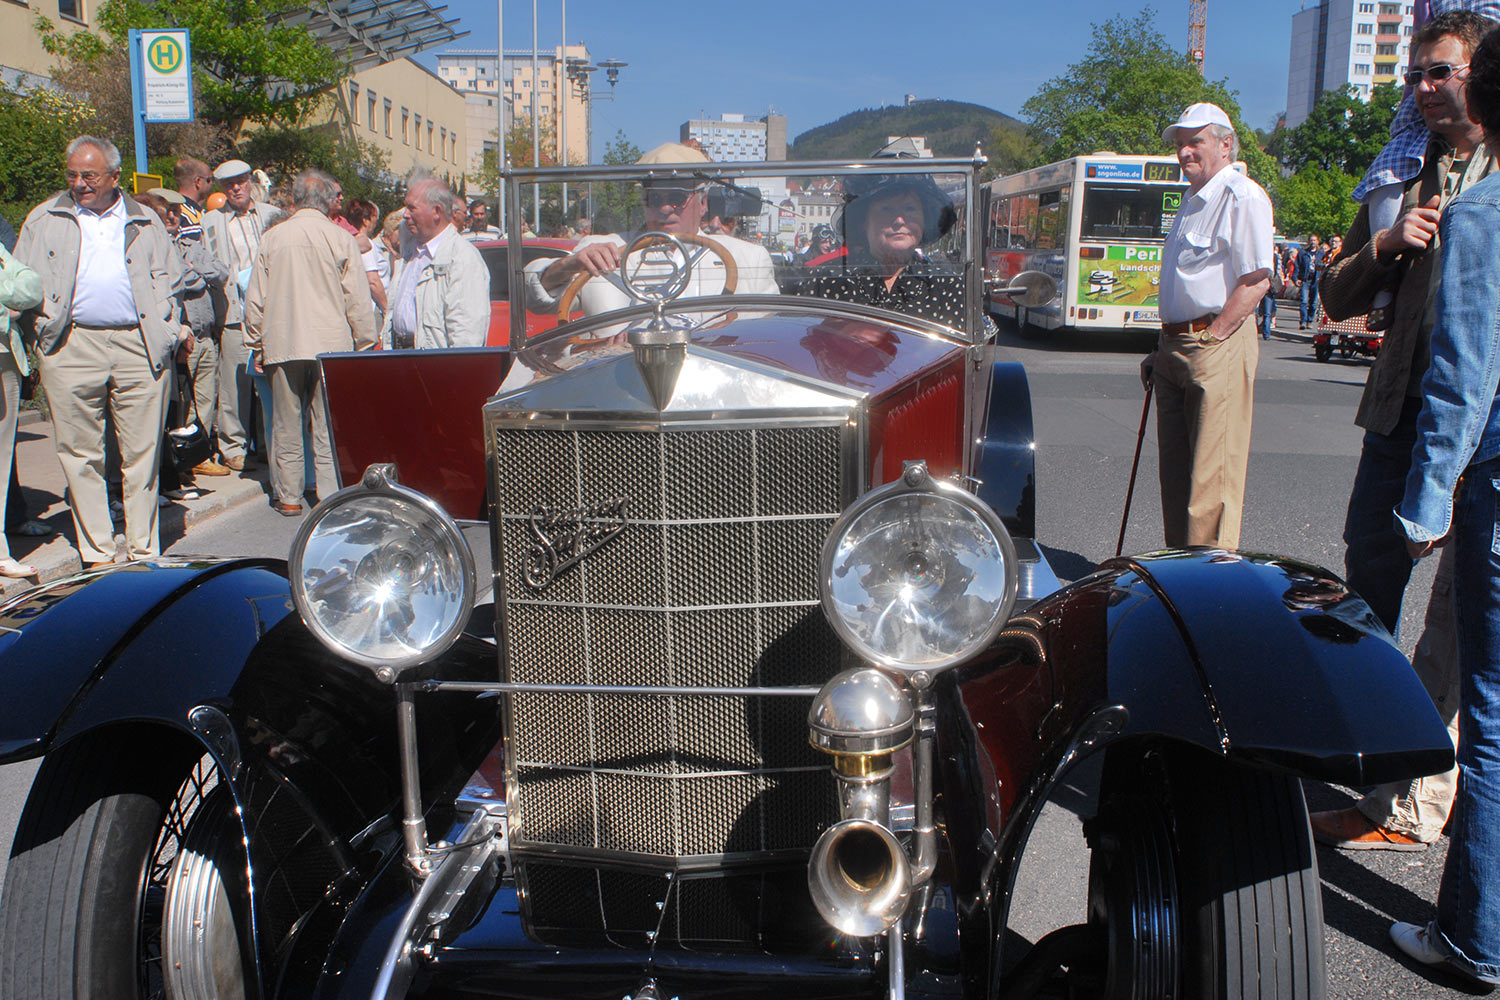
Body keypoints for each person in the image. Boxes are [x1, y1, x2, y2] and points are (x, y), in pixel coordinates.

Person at [1312, 8, 1498, 855]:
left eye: (1441, 72)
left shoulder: (1496, 178)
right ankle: (1372, 751)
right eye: (1415, 74)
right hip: (1397, 417)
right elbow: (1336, 296)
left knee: (1459, 623)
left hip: (1481, 430)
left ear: (1479, 74)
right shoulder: (1400, 173)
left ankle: (1412, 800)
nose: (1424, 89)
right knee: (1367, 592)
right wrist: (1386, 240)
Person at [1387, 24, 1500, 991]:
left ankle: (1474, 939)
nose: (1426, 89)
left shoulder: (1483, 211)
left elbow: (1465, 380)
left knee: (1493, 712)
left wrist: (1425, 508)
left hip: (1490, 479)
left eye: (1442, 73)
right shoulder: (1424, 181)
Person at [15, 135, 184, 567]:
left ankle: (145, 548)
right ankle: (99, 551)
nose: (79, 183)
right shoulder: (44, 218)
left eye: (89, 175)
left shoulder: (145, 220)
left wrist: (167, 328)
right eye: (72, 174)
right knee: (79, 452)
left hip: (139, 344)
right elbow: (22, 279)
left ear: (114, 176)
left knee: (142, 453)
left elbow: (173, 280)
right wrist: (39, 331)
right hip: (70, 344)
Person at [1140, 102, 1274, 550]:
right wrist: (1165, 347)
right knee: (1178, 477)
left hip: (1213, 341)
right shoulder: (1192, 202)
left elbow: (1256, 279)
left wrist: (1212, 336)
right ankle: (1181, 574)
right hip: (1177, 344)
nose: (1184, 152)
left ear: (1225, 143)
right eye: (1180, 144)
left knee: (1211, 481)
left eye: (1195, 141)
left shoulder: (1242, 195)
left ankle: (1209, 586)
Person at [243, 170, 377, 516]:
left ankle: (288, 495)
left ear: (295, 199)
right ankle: (328, 493)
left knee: (286, 422)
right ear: (326, 201)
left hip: (283, 340)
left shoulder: (272, 238)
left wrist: (255, 341)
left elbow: (256, 297)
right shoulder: (340, 238)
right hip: (330, 344)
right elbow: (357, 299)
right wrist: (365, 342)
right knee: (326, 423)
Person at [524, 143, 779, 320]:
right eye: (655, 198)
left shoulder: (749, 258)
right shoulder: (603, 251)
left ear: (703, 204)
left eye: (677, 198)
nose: (666, 208)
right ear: (643, 203)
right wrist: (569, 264)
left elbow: (766, 336)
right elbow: (535, 299)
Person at [799, 170, 964, 328]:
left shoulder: (946, 285)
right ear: (864, 222)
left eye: (910, 209)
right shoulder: (828, 278)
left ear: (924, 220)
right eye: (887, 209)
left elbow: (956, 354)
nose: (900, 220)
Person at [202, 158, 282, 471]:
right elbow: (208, 261)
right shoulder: (212, 221)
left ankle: (266, 445)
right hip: (234, 311)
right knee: (235, 384)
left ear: (250, 181)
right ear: (222, 188)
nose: (236, 187)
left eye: (241, 181)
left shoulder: (271, 214)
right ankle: (233, 445)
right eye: (229, 183)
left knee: (271, 379)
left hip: (270, 309)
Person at [147, 187, 230, 481]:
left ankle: (200, 454)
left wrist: (195, 270)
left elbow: (221, 272)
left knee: (206, 401)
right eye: (167, 210)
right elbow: (179, 280)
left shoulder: (192, 245)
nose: (173, 216)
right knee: (181, 404)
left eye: (177, 210)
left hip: (206, 336)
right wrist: (199, 274)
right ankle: (177, 459)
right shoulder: (157, 247)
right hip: (182, 340)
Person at [386, 179, 490, 350]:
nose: (404, 215)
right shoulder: (412, 249)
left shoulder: (462, 258)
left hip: (433, 364)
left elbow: (466, 336)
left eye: (412, 208)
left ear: (436, 211)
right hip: (399, 356)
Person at [0, 233, 43, 578]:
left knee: (1, 458)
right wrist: (6, 310)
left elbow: (31, 287)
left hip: (4, 360)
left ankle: (0, 551)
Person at [173, 157, 211, 242]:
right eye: (209, 180)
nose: (212, 184)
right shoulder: (190, 219)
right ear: (198, 181)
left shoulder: (172, 211)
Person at [1296, 234, 1324, 329]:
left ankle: (1310, 320)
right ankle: (1303, 321)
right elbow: (1297, 266)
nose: (1313, 242)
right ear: (1308, 242)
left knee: (1313, 302)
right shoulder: (1303, 253)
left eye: (1315, 240)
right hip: (1305, 280)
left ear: (1317, 242)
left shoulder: (1321, 253)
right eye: (1311, 240)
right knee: (1304, 301)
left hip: (1316, 280)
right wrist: (1296, 278)